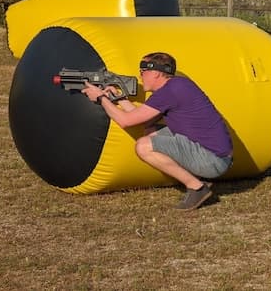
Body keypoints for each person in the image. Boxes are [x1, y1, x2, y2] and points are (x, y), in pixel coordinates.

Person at [81, 52, 233, 211]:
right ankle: (198, 180)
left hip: (212, 160)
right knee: (151, 131)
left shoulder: (169, 91)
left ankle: (197, 187)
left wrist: (101, 98)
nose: (140, 77)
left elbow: (126, 121)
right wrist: (118, 99)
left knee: (143, 146)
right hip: (217, 157)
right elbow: (142, 119)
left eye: (142, 72)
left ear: (156, 73)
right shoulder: (177, 86)